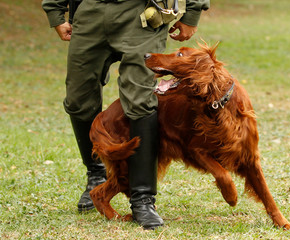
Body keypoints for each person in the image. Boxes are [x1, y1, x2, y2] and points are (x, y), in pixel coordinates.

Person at [41, 0, 209, 229]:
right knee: (78, 100)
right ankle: (96, 174)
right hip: (91, 13)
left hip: (143, 15)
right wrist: (55, 10)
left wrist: (192, 12)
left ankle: (142, 199)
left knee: (141, 99)